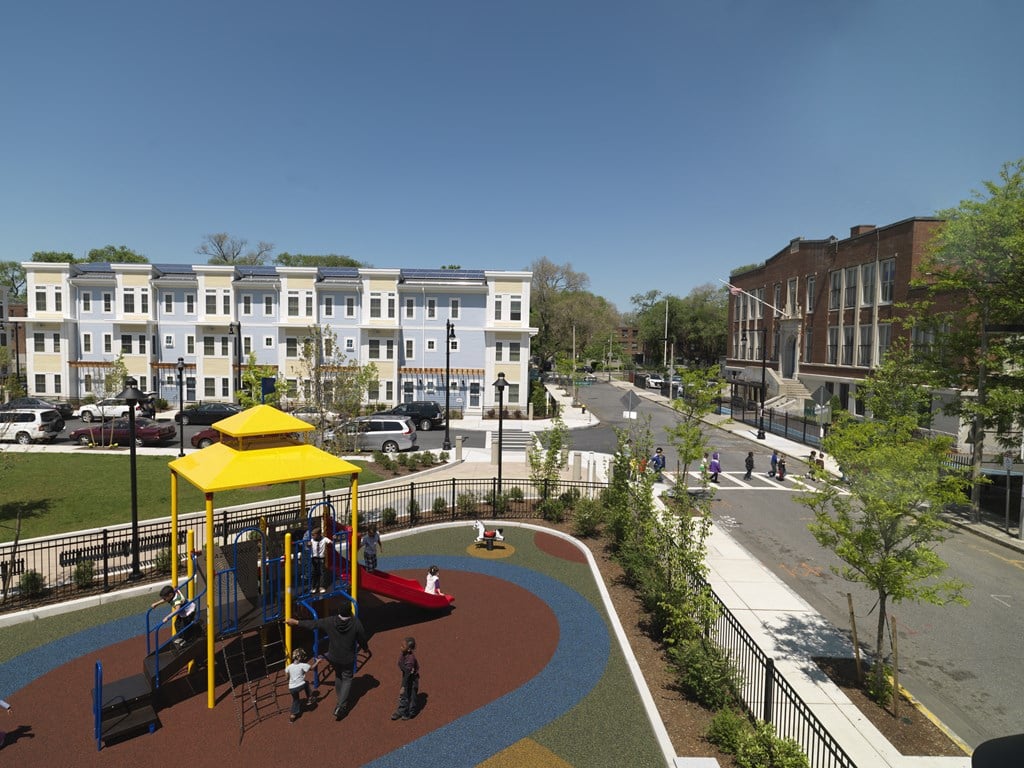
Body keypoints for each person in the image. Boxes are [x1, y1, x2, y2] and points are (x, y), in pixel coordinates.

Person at [285, 601, 370, 721]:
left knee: (338, 675)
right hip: (347, 657)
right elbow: (362, 637)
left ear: (339, 611)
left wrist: (296, 622)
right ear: (350, 611)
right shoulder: (355, 622)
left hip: (333, 656)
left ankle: (340, 699)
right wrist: (365, 648)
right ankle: (340, 706)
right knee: (347, 678)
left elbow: (313, 624)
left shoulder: (330, 621)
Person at [391, 636, 420, 721]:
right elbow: (400, 664)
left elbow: (407, 674)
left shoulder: (410, 660)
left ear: (409, 649)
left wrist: (403, 686)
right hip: (406, 676)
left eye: (403, 646)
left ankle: (410, 713)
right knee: (403, 695)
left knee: (411, 695)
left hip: (412, 679)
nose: (400, 647)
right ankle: (401, 710)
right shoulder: (403, 654)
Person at [285, 647, 316, 722]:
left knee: (295, 700)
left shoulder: (288, 667)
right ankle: (310, 698)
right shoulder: (303, 665)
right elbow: (312, 668)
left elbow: (287, 678)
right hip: (301, 685)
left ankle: (293, 716)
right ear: (299, 657)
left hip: (291, 688)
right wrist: (317, 662)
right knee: (306, 683)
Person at [308, 527, 332, 594]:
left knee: (322, 572)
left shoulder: (324, 539)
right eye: (312, 535)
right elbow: (308, 545)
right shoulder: (312, 540)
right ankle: (314, 587)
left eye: (314, 535)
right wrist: (308, 545)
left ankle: (321, 586)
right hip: (314, 558)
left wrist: (334, 539)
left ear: (318, 534)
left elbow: (330, 542)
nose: (312, 536)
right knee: (314, 572)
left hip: (321, 558)